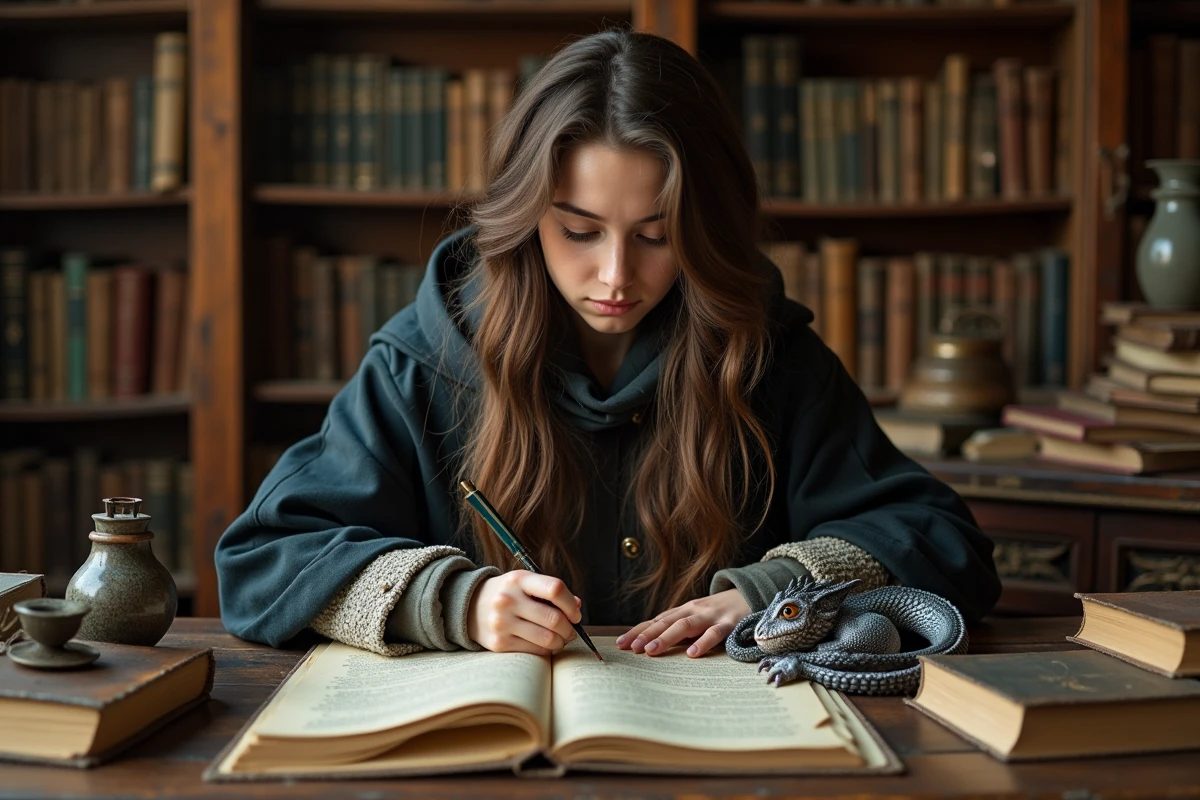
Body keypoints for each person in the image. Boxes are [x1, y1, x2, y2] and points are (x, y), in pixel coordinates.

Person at [215, 29, 1001, 661]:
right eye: (580, 231)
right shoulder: (425, 357)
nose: (616, 276)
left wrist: (779, 588)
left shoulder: (768, 355)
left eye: (658, 236)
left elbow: (943, 542)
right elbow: (264, 562)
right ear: (527, 217)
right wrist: (454, 601)